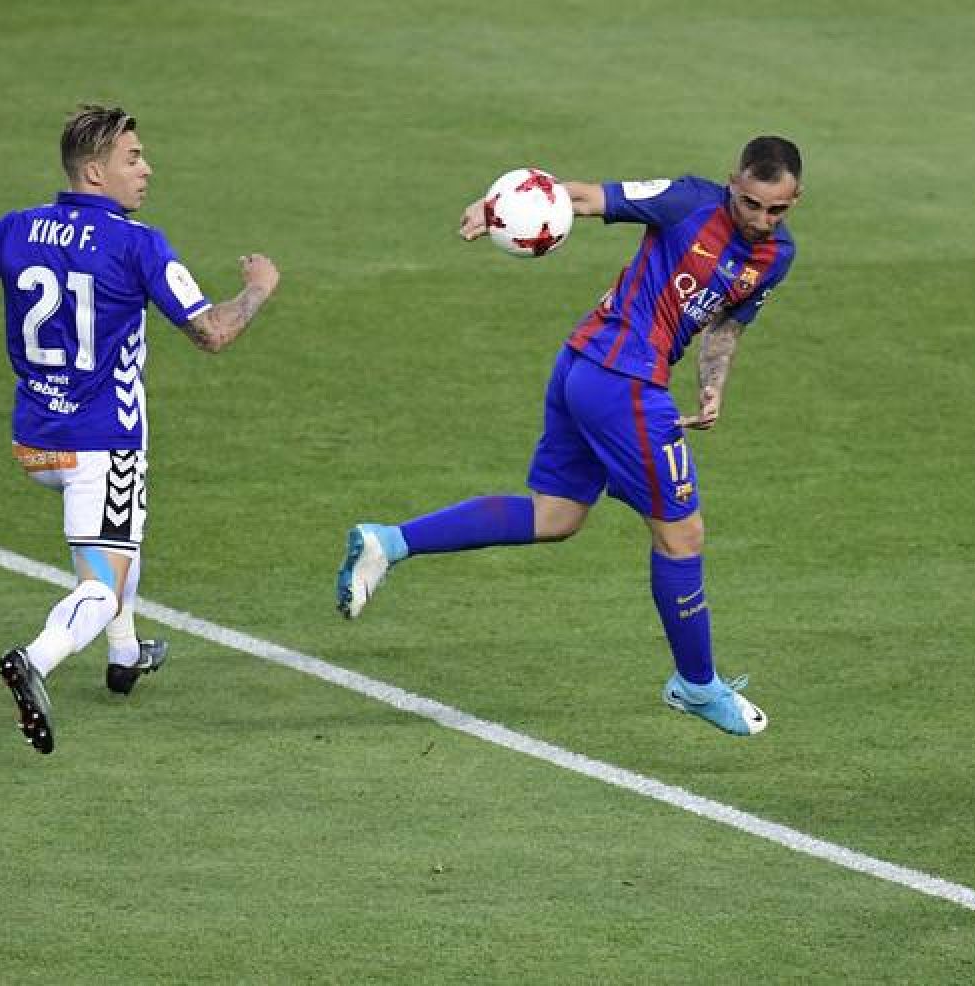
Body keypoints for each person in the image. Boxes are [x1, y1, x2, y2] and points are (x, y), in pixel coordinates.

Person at [336, 137, 803, 736]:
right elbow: (583, 196)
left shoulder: (777, 255)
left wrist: (713, 386)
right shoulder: (688, 201)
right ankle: (696, 684)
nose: (762, 221)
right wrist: (495, 206)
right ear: (731, 182)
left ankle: (389, 542)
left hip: (588, 368)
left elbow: (727, 324)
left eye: (777, 210)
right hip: (621, 378)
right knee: (682, 536)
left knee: (556, 516)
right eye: (751, 204)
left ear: (794, 201)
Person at [0, 104, 281, 755]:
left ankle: (126, 655)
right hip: (102, 442)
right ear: (94, 171)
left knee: (121, 532)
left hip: (35, 443)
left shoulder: (15, 229)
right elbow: (212, 333)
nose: (147, 169)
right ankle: (36, 659)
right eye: (132, 159)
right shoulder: (139, 244)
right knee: (100, 581)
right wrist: (257, 289)